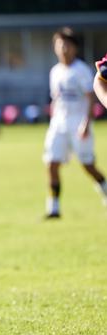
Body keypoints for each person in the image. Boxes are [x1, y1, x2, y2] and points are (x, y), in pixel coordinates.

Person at [43, 27, 107, 218]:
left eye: (67, 45)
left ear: (75, 48)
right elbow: (56, 99)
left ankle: (105, 189)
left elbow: (90, 97)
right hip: (58, 124)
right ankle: (53, 207)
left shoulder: (81, 70)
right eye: (59, 44)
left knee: (88, 165)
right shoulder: (55, 71)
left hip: (79, 122)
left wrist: (86, 122)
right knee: (51, 163)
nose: (63, 48)